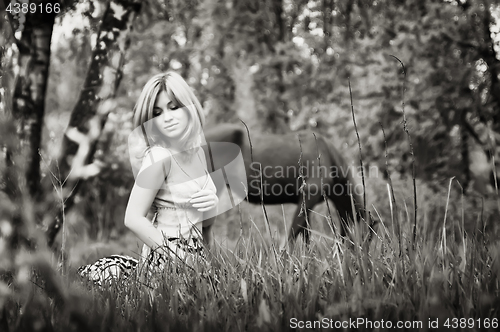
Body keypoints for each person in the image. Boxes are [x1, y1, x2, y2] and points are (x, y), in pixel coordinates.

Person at [78, 72, 218, 286]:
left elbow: (204, 225)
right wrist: (177, 257)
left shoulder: (197, 153)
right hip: (166, 261)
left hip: (198, 259)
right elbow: (132, 217)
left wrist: (211, 208)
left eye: (174, 107)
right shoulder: (159, 157)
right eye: (157, 113)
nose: (167, 118)